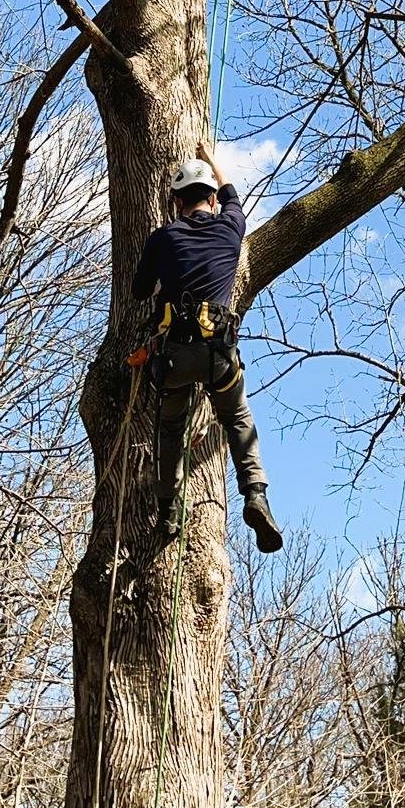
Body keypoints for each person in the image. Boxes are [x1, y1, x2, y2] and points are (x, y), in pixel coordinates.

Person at [131, 143, 283, 553]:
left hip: (175, 355)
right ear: (211, 199)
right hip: (220, 354)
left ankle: (168, 511)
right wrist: (211, 159)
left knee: (170, 430)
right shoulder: (231, 227)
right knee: (238, 419)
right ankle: (255, 493)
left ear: (176, 202)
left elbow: (139, 290)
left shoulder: (162, 237)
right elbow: (233, 192)